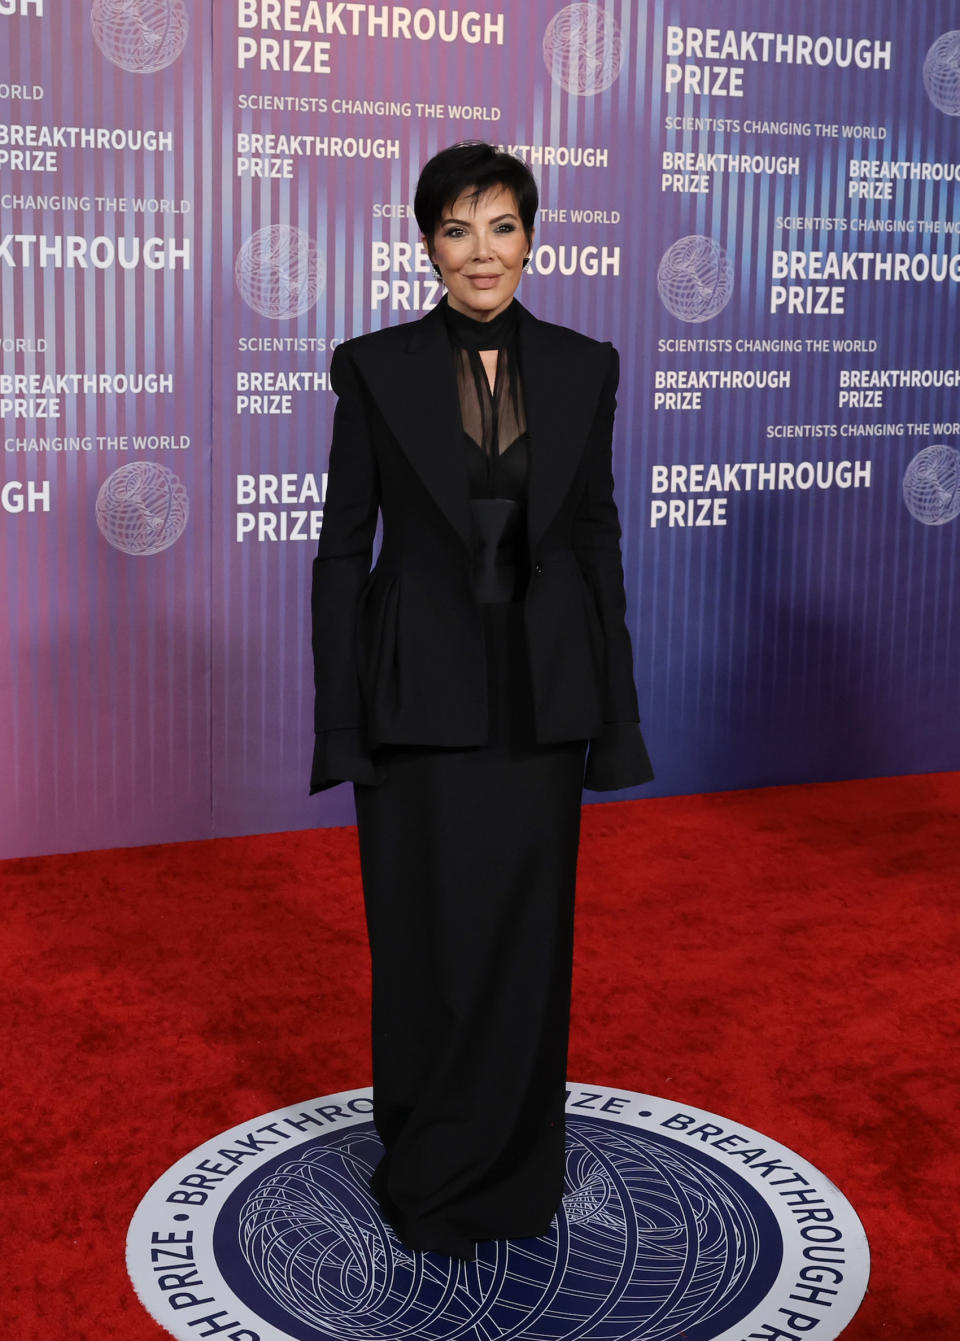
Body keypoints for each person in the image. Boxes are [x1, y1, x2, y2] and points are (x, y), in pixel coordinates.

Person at [310, 141, 652, 1261]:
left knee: (526, 942)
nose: (481, 252)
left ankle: (514, 1167)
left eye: (500, 226)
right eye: (457, 229)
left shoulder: (585, 365)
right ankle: (426, 1153)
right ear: (426, 245)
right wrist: (340, 722)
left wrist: (617, 721)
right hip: (417, 700)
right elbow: (339, 555)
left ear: (532, 237)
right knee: (424, 938)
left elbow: (598, 544)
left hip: (541, 701)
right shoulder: (371, 366)